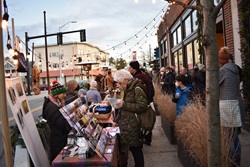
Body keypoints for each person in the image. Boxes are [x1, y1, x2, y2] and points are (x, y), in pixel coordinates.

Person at [113, 69, 148, 167]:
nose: (118, 85)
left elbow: (142, 106)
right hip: (128, 124)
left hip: (134, 124)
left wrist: (124, 104)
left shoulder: (137, 88)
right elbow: (122, 109)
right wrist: (116, 120)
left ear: (126, 80)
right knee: (132, 149)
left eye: (120, 83)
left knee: (136, 149)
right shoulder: (127, 89)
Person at [219, 46, 241, 166]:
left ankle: (232, 160)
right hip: (235, 103)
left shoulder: (223, 71)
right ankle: (237, 158)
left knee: (228, 135)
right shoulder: (235, 70)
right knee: (234, 135)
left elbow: (213, 85)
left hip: (225, 103)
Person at [42, 80, 71, 163]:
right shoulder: (51, 107)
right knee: (58, 160)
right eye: (63, 93)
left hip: (59, 137)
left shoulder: (56, 103)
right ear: (56, 95)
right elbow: (61, 123)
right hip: (57, 139)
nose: (65, 95)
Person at [128, 61, 153, 146]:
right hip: (145, 99)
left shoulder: (138, 77)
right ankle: (147, 138)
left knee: (144, 120)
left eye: (130, 68)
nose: (129, 69)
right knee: (145, 120)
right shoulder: (141, 75)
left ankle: (145, 138)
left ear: (134, 69)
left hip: (143, 100)